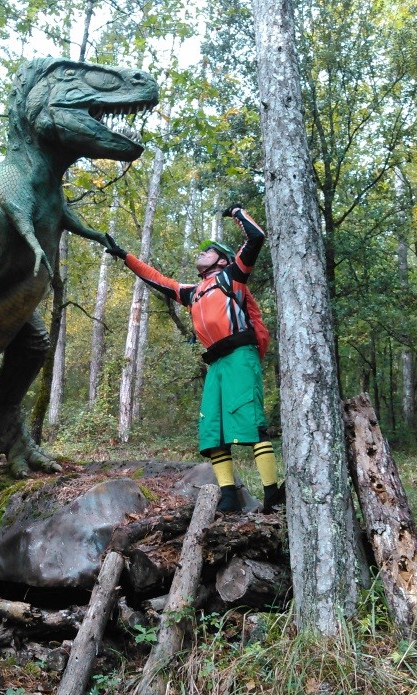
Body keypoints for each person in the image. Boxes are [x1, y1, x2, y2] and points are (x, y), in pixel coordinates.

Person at [105, 204, 284, 513]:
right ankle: (228, 495)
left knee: (251, 423)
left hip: (241, 355)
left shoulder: (232, 276)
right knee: (213, 429)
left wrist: (239, 212)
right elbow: (157, 279)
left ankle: (272, 495)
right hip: (215, 364)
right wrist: (125, 256)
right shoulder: (194, 292)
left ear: (223, 259)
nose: (201, 254)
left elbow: (256, 238)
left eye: (208, 250)